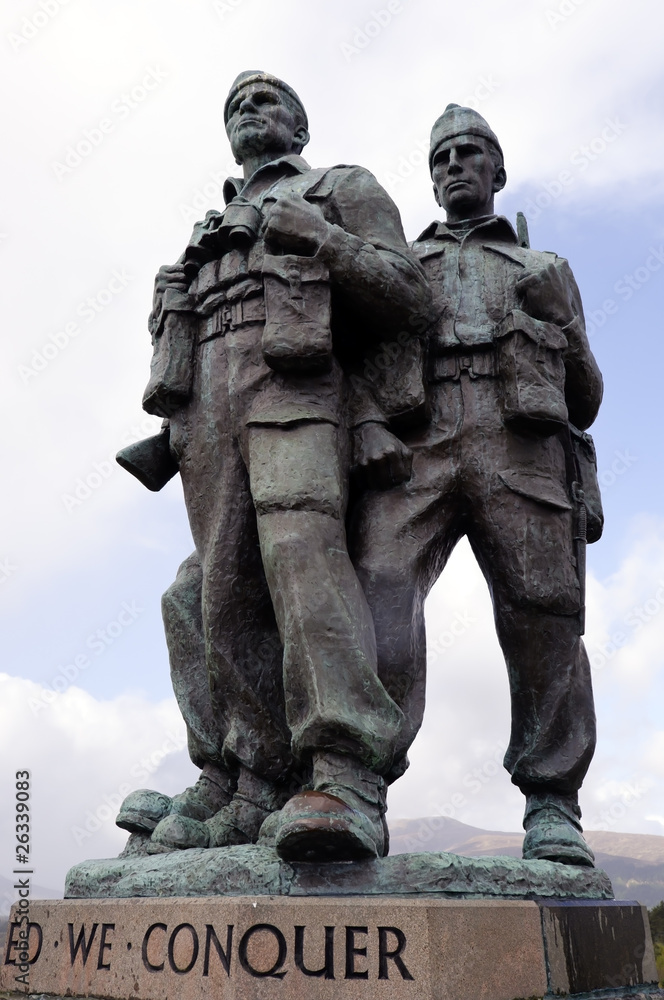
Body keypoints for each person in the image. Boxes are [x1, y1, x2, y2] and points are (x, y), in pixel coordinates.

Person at [115, 71, 431, 862]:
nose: (249, 112)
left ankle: (344, 768)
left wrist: (322, 238)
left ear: (299, 124)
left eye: (266, 100)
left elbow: (409, 295)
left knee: (301, 558)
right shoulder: (209, 222)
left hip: (296, 387)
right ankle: (250, 777)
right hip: (207, 411)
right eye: (234, 106)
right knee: (211, 590)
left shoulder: (340, 186)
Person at [350, 104, 603, 866]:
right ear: (431, 179)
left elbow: (586, 395)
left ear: (498, 171)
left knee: (541, 614)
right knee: (377, 590)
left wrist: (566, 325)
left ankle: (553, 803)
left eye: (470, 153)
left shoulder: (543, 269)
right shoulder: (402, 264)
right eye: (442, 157)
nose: (455, 164)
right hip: (418, 442)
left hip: (517, 438)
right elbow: (358, 366)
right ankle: (358, 785)